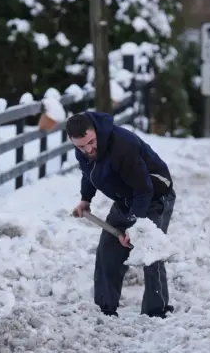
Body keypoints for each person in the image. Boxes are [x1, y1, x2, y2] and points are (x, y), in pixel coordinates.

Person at [66, 110, 176, 319]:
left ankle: (157, 311)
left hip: (154, 196)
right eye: (81, 146)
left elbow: (144, 190)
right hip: (125, 199)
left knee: (149, 249)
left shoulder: (122, 145)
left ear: (95, 131)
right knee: (108, 250)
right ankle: (104, 309)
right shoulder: (83, 150)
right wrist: (85, 199)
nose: (88, 149)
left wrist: (135, 227)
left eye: (91, 142)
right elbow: (89, 174)